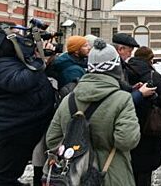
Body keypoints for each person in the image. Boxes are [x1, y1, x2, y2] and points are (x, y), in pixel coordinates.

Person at [46, 38, 141, 186]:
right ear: (115, 68)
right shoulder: (122, 99)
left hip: (74, 175)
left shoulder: (69, 99)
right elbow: (127, 140)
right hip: (110, 173)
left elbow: (52, 139)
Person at [0, 22, 55, 186]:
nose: (19, 39)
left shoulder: (9, 58)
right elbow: (18, 82)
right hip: (13, 130)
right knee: (4, 176)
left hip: (21, 127)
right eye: (15, 34)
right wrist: (39, 60)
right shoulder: (1, 63)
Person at [127, 47, 161, 186]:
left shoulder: (124, 71)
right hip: (149, 127)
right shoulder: (152, 75)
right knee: (145, 171)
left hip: (127, 125)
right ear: (150, 59)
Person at [112, 33, 156, 104]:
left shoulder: (119, 65)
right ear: (120, 49)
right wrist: (140, 93)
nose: (130, 55)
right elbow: (117, 101)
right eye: (129, 51)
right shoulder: (113, 68)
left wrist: (132, 88)